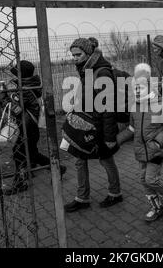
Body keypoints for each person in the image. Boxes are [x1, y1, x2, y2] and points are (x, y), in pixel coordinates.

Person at [63, 37, 123, 212]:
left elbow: (108, 107)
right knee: (80, 160)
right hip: (85, 124)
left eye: (78, 54)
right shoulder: (86, 69)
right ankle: (82, 198)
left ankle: (115, 193)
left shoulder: (101, 72)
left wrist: (110, 137)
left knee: (106, 159)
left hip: (100, 127)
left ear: (88, 53)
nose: (74, 58)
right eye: (73, 55)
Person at [117, 63, 163, 222]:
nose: (137, 90)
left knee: (151, 179)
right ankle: (156, 206)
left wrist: (158, 143)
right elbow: (131, 128)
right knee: (144, 180)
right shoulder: (134, 107)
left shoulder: (159, 104)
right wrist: (118, 140)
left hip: (157, 150)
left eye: (140, 87)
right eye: (134, 88)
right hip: (141, 151)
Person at [0, 60, 66, 195]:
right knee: (32, 154)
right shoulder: (30, 86)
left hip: (25, 128)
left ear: (21, 74)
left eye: (16, 73)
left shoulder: (25, 90)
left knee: (19, 155)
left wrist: (3, 96)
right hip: (30, 127)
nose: (14, 77)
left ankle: (19, 184)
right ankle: (58, 169)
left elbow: (15, 109)